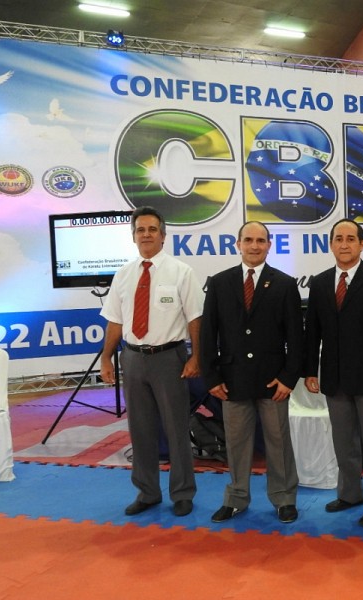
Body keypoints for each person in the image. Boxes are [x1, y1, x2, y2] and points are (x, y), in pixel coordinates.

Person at [100, 206, 203, 518]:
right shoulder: (123, 274)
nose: (146, 235)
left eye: (152, 229)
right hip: (132, 358)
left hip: (169, 358)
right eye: (140, 230)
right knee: (140, 429)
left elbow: (196, 319)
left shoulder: (181, 272)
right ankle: (147, 492)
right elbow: (115, 321)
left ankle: (182, 493)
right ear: (133, 236)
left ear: (163, 235)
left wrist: (197, 357)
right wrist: (106, 357)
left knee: (176, 428)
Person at [200, 221, 303, 524]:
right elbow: (208, 334)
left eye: (260, 240)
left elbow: (296, 336)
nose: (254, 246)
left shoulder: (284, 284)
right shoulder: (219, 283)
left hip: (273, 380)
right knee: (236, 443)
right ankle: (236, 498)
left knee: (279, 443)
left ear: (269, 245)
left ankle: (284, 498)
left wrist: (288, 378)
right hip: (232, 380)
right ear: (238, 244)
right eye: (248, 240)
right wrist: (212, 377)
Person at [304, 219, 363, 528]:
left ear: (362, 244)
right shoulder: (320, 283)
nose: (344, 244)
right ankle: (350, 493)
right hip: (334, 377)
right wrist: (310, 370)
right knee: (343, 443)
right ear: (331, 244)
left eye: (350, 239)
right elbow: (312, 331)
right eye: (338, 239)